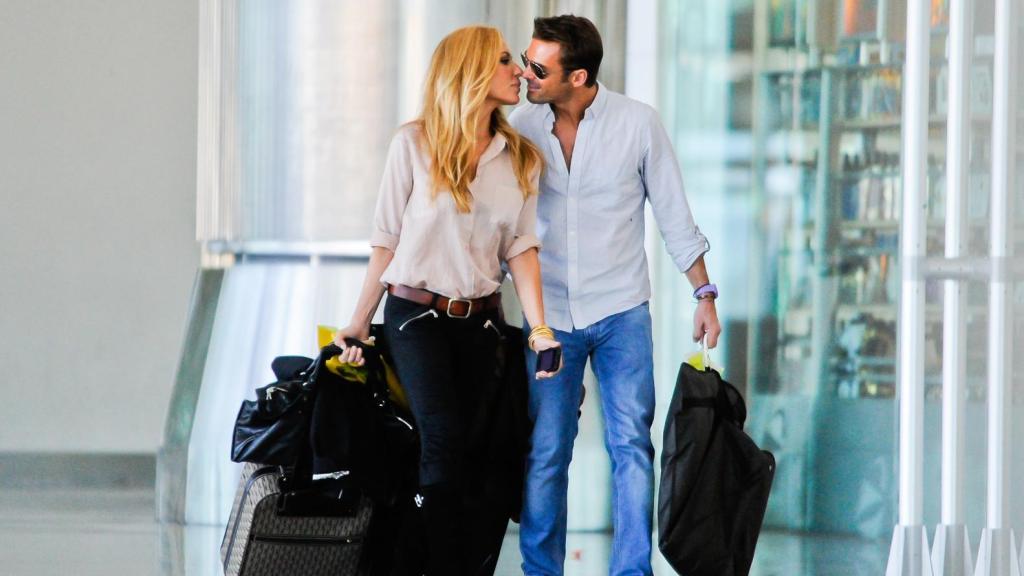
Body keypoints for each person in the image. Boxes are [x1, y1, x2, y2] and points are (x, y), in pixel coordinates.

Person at [331, 25, 562, 575]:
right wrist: (357, 324)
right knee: (445, 438)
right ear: (471, 70)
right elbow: (385, 241)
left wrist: (540, 329)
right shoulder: (412, 144)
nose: (518, 70)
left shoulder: (520, 158)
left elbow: (521, 249)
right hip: (416, 316)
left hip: (482, 323)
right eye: (505, 60)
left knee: (482, 454)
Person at [508, 15, 722, 576]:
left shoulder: (637, 124)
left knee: (631, 446)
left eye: (539, 66)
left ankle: (632, 571)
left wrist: (703, 292)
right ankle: (540, 571)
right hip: (549, 317)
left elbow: (674, 213)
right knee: (547, 451)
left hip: (622, 310)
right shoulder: (520, 126)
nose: (527, 73)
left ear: (577, 76)